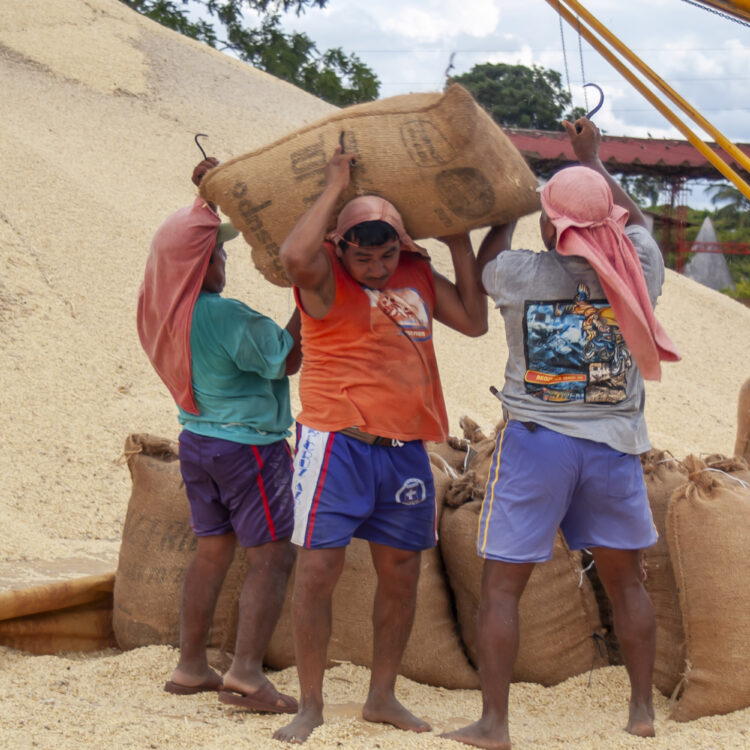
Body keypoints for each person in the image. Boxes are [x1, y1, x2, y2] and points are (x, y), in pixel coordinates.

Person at [443, 116, 680, 750]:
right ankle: (639, 711)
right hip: (616, 447)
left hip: (538, 445)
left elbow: (488, 259)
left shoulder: (523, 275)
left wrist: (515, 207)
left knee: (502, 585)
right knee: (627, 581)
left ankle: (495, 724)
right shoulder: (643, 270)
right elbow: (639, 225)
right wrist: (594, 161)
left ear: (552, 226)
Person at [272, 145, 488, 743]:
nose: (376, 266)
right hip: (335, 439)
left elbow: (474, 320)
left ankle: (381, 697)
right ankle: (311, 705)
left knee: (401, 572)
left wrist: (460, 243)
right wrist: (335, 185)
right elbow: (293, 252)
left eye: (387, 252)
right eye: (363, 254)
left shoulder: (416, 271)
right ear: (340, 246)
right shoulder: (320, 277)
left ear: (403, 247)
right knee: (318, 570)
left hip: (406, 449)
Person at [136, 157, 302, 714]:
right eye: (219, 253)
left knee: (212, 551)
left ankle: (190, 666)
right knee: (272, 557)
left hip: (198, 442)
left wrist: (209, 197)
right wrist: (306, 288)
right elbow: (286, 359)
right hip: (247, 449)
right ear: (198, 267)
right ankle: (247, 674)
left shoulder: (161, 309)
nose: (226, 259)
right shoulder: (224, 315)